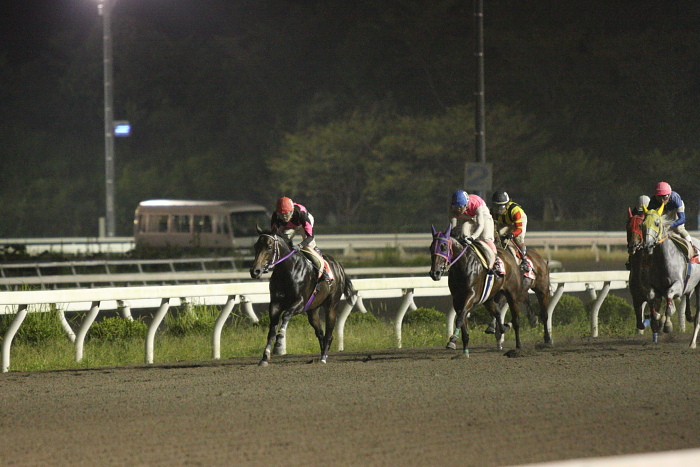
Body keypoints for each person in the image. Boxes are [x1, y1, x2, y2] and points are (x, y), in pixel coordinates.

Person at [270, 197, 332, 283]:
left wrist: (300, 245)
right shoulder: (275, 216)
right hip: (289, 226)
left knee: (310, 246)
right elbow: (274, 235)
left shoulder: (301, 214)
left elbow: (310, 237)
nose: (284, 217)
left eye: (286, 214)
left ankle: (324, 270)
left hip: (302, 224)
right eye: (281, 215)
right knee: (281, 243)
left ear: (292, 211)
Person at [448, 189, 503, 275]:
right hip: (470, 216)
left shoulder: (476, 204)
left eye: (460, 207)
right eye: (456, 207)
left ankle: (497, 261)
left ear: (466, 204)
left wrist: (473, 237)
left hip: (482, 215)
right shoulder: (452, 209)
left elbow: (480, 225)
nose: (458, 210)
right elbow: (453, 227)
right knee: (464, 232)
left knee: (486, 237)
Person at [646, 182, 696, 257]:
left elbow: (682, 219)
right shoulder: (653, 201)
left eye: (665, 197)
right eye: (659, 197)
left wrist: (671, 225)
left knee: (679, 228)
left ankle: (693, 247)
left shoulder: (675, 198)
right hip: (663, 210)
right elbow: (649, 217)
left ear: (669, 195)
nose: (662, 200)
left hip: (674, 210)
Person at [491, 191, 530, 272]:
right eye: (496, 207)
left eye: (501, 208)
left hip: (518, 221)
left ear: (507, 204)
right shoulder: (492, 211)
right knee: (499, 237)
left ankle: (524, 260)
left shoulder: (515, 211)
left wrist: (512, 234)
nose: (498, 210)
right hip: (505, 221)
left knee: (518, 239)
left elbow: (519, 229)